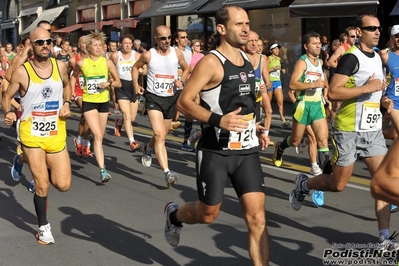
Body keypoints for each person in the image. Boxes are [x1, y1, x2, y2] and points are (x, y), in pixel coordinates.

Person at [163, 5, 270, 265]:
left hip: (246, 152)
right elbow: (184, 101)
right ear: (222, 29)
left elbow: (241, 104)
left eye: (247, 23)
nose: (246, 29)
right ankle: (174, 216)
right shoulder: (212, 62)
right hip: (215, 151)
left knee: (257, 220)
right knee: (208, 213)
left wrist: (254, 126)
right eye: (239, 24)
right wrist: (218, 120)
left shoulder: (246, 59)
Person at [288, 14, 398, 251]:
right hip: (348, 131)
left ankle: (384, 238)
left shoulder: (379, 57)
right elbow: (335, 92)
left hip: (372, 131)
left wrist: (383, 98)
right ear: (359, 32)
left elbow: (374, 91)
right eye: (371, 28)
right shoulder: (350, 58)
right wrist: (367, 88)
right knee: (338, 185)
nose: (377, 32)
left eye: (379, 28)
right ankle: (304, 185)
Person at [1, 27, 72, 244]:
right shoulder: (23, 71)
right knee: (42, 183)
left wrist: (67, 103)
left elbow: (67, 87)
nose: (45, 45)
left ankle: (20, 159)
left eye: (48, 41)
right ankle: (43, 227)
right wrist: (10, 112)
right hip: (31, 133)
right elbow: (6, 96)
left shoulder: (60, 66)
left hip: (55, 131)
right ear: (31, 46)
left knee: (63, 184)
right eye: (40, 42)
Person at [272, 31, 330, 206]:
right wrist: (313, 84)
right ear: (306, 46)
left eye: (319, 43)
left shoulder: (319, 62)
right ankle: (280, 147)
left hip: (317, 106)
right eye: (314, 43)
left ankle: (320, 183)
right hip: (303, 105)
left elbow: (324, 80)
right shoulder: (302, 62)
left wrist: (326, 90)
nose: (318, 46)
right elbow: (293, 84)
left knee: (322, 141)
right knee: (296, 141)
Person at [132, 25, 189, 188]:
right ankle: (167, 172)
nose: (166, 41)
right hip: (153, 98)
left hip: (170, 98)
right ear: (156, 39)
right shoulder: (149, 55)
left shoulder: (176, 53)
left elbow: (186, 69)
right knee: (159, 134)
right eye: (163, 38)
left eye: (169, 38)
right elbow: (135, 68)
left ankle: (147, 148)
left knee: (161, 134)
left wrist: (182, 80)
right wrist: (136, 85)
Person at [73, 32, 121, 183]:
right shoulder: (81, 64)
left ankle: (93, 139)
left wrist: (109, 83)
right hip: (89, 101)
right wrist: (70, 93)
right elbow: (71, 77)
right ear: (88, 47)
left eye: (100, 45)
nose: (99, 47)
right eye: (95, 45)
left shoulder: (107, 63)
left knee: (100, 135)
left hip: (103, 102)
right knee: (99, 136)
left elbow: (118, 82)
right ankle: (103, 170)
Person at [110, 34, 142, 151]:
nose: (127, 45)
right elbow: (108, 66)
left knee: (132, 118)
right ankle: (132, 141)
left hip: (133, 86)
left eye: (129, 43)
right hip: (121, 86)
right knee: (127, 115)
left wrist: (142, 71)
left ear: (132, 44)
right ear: (120, 44)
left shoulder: (137, 55)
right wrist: (111, 78)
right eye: (125, 43)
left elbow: (145, 68)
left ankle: (119, 123)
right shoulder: (115, 56)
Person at [69, 35, 93, 157]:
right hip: (79, 92)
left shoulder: (95, 58)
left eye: (88, 43)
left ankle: (80, 140)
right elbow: (67, 75)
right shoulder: (74, 60)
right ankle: (86, 144)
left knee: (86, 118)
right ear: (79, 45)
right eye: (84, 43)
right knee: (88, 115)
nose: (86, 45)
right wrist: (70, 91)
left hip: (92, 92)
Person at [267, 43, 289, 128]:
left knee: (280, 102)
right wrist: (274, 68)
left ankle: (283, 120)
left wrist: (283, 70)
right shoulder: (269, 59)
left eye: (278, 49)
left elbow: (281, 68)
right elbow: (264, 70)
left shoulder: (279, 59)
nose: (277, 50)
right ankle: (267, 118)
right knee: (268, 103)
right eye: (275, 49)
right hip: (270, 82)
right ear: (271, 50)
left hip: (277, 82)